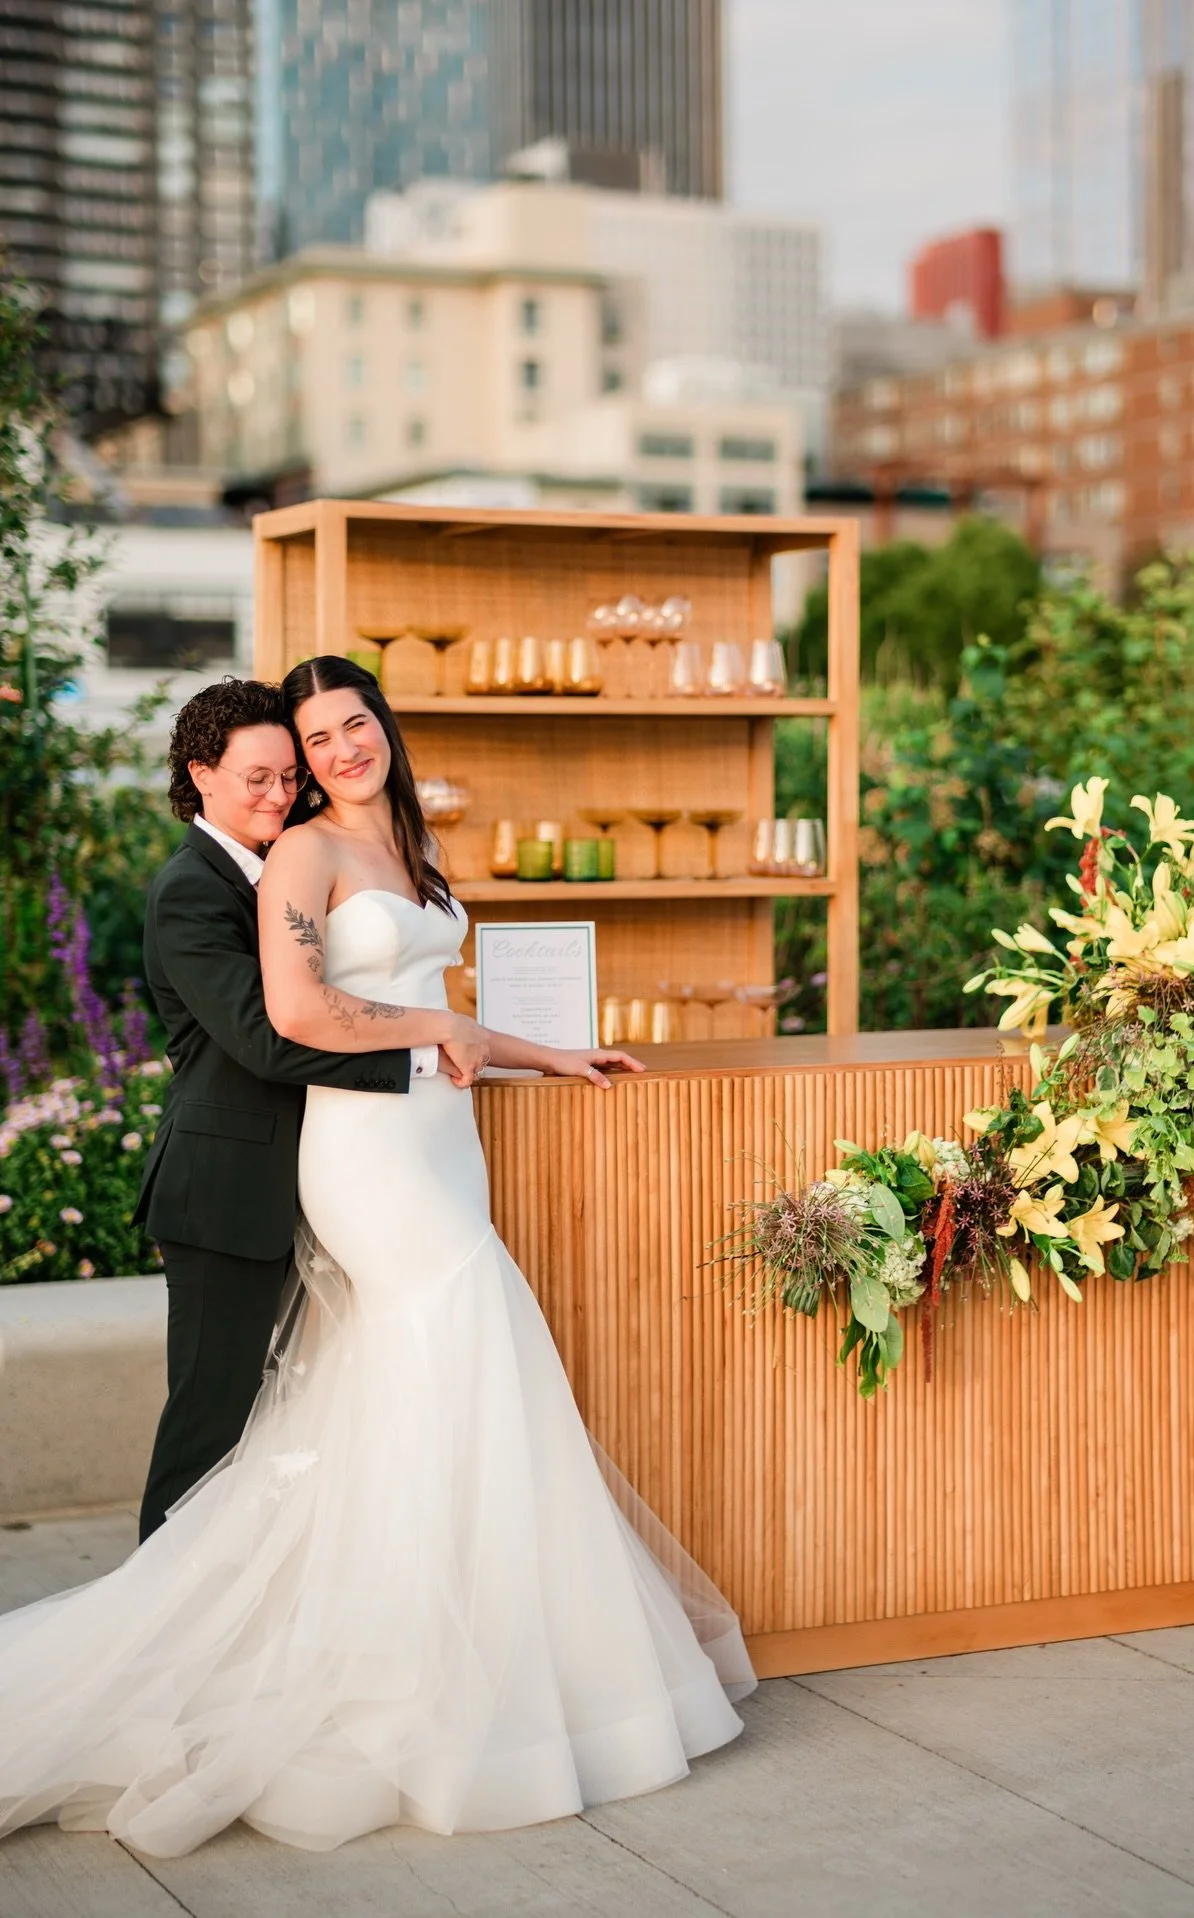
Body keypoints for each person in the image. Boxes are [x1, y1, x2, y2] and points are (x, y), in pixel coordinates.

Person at [0, 656, 754, 1858]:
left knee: (427, 1388)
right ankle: (190, 1674)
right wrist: (438, 1034)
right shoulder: (292, 860)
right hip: (363, 1159)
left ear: (381, 730)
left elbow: (434, 999)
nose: (328, 757)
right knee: (403, 1352)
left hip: (437, 1140)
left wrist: (537, 1053)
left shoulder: (396, 842)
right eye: (304, 746)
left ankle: (476, 1657)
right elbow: (289, 1019)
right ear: (212, 775)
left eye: (346, 731)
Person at [134, 678, 492, 1541]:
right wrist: (421, 1050)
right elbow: (265, 1038)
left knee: (291, 1424)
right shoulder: (192, 890)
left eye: (291, 777)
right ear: (202, 775)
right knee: (210, 1426)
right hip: (226, 1188)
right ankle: (164, 1627)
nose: (280, 793)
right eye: (256, 777)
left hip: (322, 1168)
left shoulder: (286, 864)